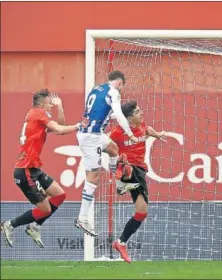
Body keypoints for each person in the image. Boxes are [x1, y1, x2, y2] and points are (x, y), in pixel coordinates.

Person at [1, 90, 82, 248]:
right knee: (44, 209)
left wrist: (60, 108)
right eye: (49, 104)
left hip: (34, 168)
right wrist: (78, 126)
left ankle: (35, 226)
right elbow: (60, 129)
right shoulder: (37, 113)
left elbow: (60, 127)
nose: (51, 106)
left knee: (59, 195)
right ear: (42, 104)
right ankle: (9, 224)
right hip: (25, 169)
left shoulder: (38, 117)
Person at [75, 70, 138, 236]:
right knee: (93, 178)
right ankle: (82, 218)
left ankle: (119, 185)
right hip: (91, 137)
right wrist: (129, 133)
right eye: (122, 86)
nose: (121, 90)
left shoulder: (97, 88)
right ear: (119, 83)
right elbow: (117, 114)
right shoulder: (113, 92)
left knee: (113, 149)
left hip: (94, 133)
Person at [109, 100, 166, 263]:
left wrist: (157, 134)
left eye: (140, 110)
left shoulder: (141, 126)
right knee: (126, 164)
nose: (141, 113)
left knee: (142, 212)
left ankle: (120, 243)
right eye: (137, 112)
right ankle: (122, 178)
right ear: (128, 118)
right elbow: (105, 142)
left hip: (140, 171)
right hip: (129, 166)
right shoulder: (117, 132)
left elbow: (148, 129)